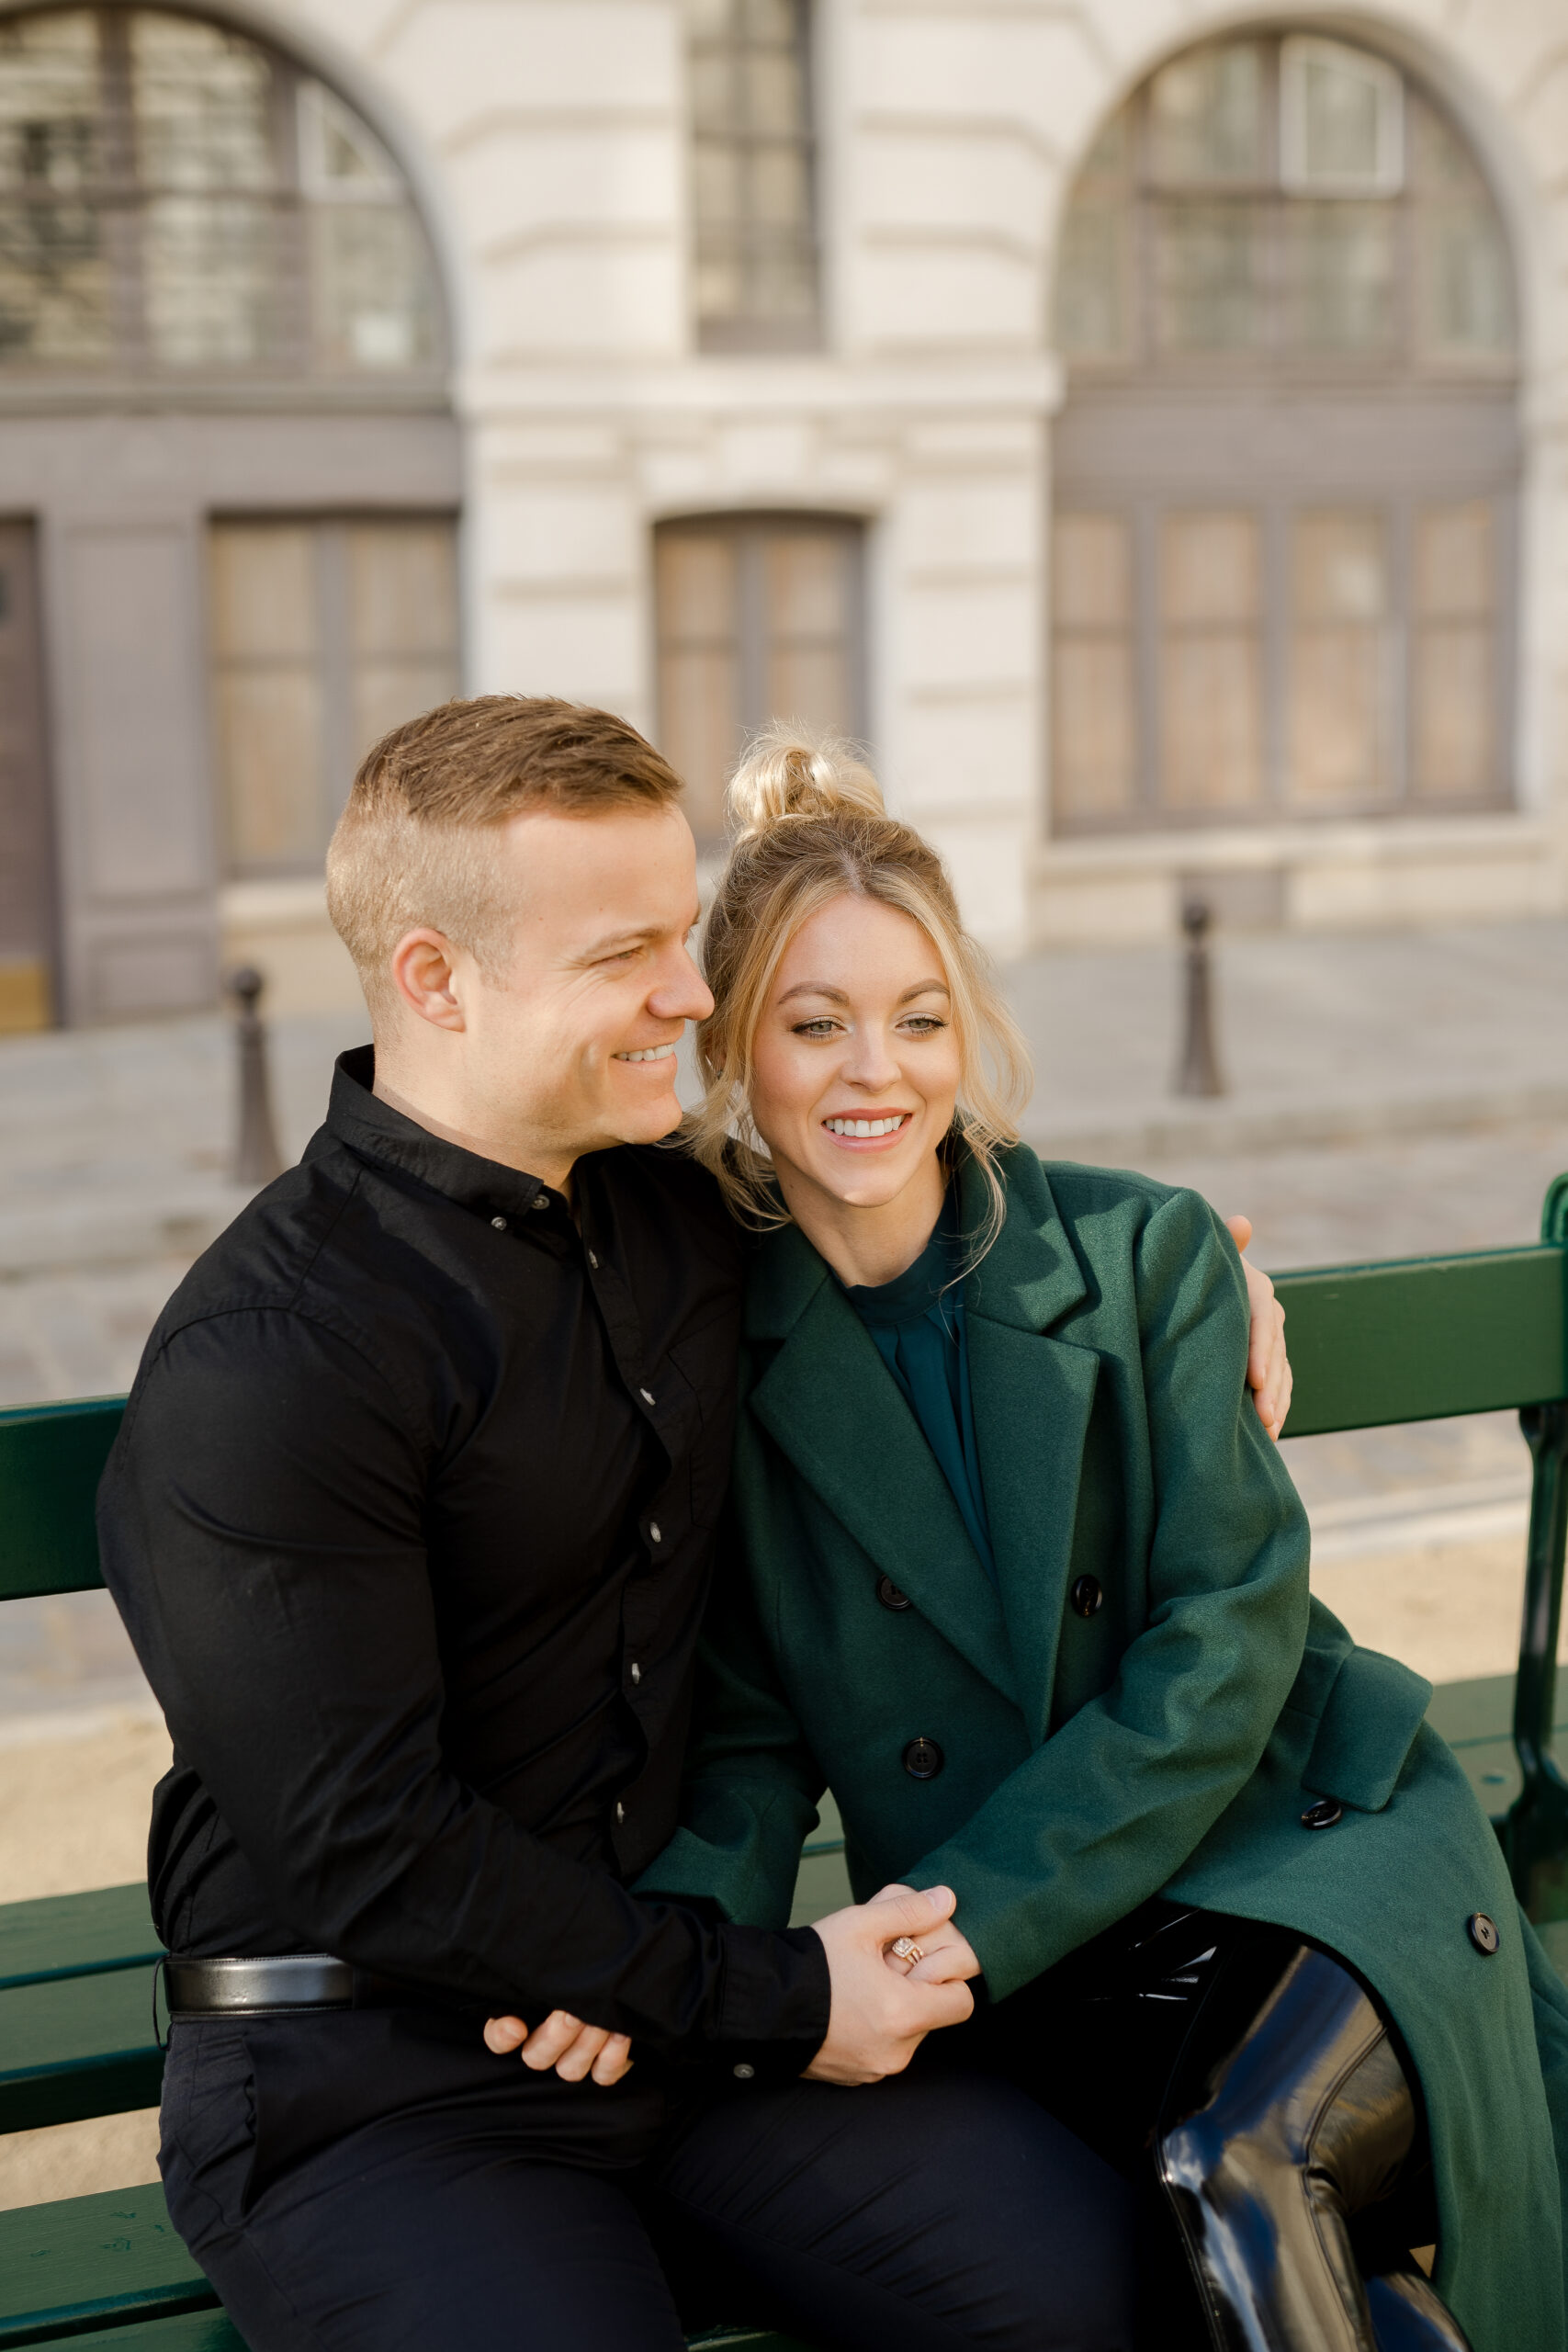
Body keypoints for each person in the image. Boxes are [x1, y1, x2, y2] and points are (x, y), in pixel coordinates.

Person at [97, 698, 1288, 2352]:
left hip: (674, 2014)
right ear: (435, 978)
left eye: (685, 934)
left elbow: (910, 1182)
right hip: (373, 2083)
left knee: (1101, 2283)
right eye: (628, 954)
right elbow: (368, 1847)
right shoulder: (272, 1358)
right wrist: (783, 1997)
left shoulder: (677, 1218)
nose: (692, 990)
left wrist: (1201, 1267)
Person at [491, 731, 1568, 2352]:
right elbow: (756, 1737)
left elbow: (1225, 1646)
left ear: (966, 1032)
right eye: (816, 1024)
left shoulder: (1141, 1255)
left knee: (1237, 2165)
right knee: (1277, 2273)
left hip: (1302, 1846)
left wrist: (968, 1920)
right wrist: (653, 1969)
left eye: (919, 1021)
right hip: (1059, 1952)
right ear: (740, 1055)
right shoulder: (719, 1344)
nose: (877, 1073)